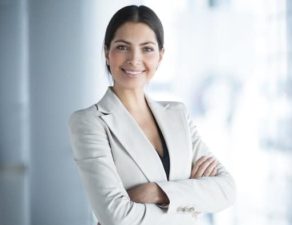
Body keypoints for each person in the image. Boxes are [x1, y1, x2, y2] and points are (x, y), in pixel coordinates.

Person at [68, 5, 235, 225]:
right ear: (107, 53)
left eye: (147, 48)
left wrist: (157, 193)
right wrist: (189, 201)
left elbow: (226, 190)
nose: (134, 59)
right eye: (122, 47)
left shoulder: (178, 115)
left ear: (160, 56)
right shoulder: (89, 123)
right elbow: (116, 217)